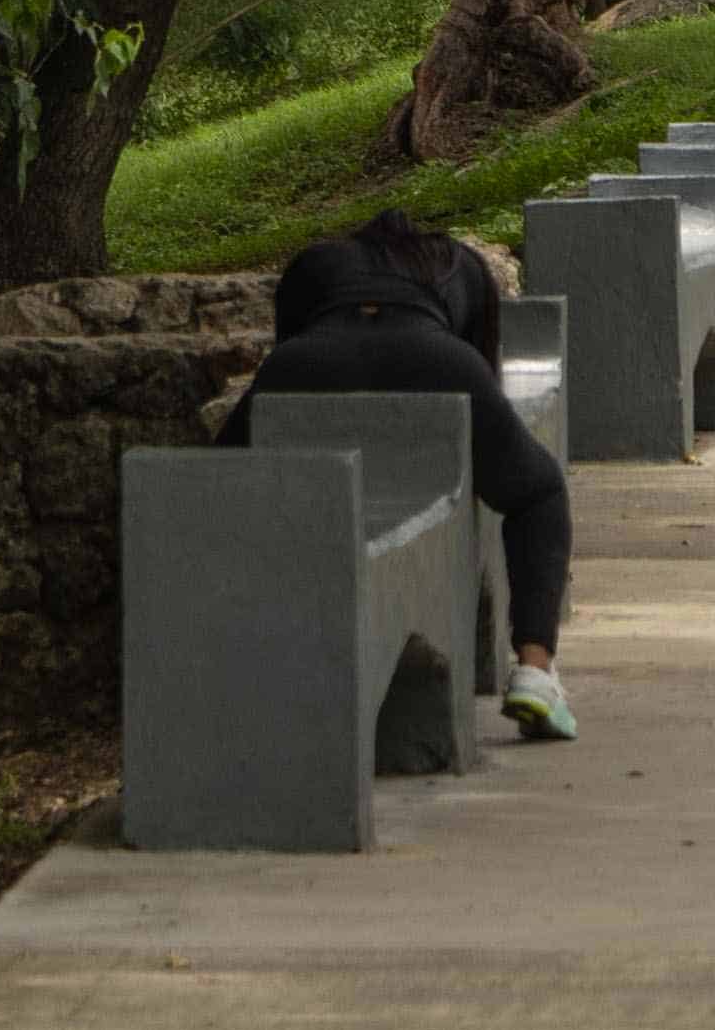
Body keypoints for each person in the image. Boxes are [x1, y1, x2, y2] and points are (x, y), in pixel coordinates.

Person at [222, 210, 581, 741]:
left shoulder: (316, 262)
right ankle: (535, 670)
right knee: (539, 490)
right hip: (436, 359)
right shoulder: (460, 264)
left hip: (308, 361)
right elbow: (483, 377)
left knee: (212, 478)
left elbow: (288, 364)